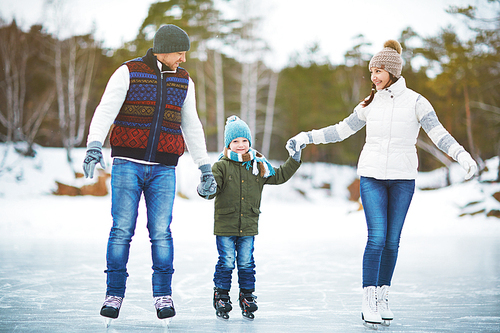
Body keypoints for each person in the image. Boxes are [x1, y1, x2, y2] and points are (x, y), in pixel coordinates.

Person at [285, 40, 478, 328]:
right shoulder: (368, 104)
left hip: (403, 179)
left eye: (379, 71)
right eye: (372, 70)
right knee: (376, 237)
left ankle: (383, 295)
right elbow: (340, 130)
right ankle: (369, 299)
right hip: (372, 176)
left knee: (392, 241)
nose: (374, 76)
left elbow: (438, 133)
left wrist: (461, 155)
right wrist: (307, 136)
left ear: (393, 71)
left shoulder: (416, 102)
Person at [82, 24, 217, 323]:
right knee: (121, 231)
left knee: (161, 233)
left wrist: (204, 167)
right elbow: (106, 109)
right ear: (166, 49)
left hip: (164, 168)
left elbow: (191, 125)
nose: (183, 58)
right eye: (180, 53)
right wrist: (94, 145)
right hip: (127, 164)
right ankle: (113, 295)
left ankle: (162, 296)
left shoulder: (184, 80)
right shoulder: (128, 71)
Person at [201, 115, 301, 320]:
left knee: (246, 262)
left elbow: (279, 175)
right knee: (227, 261)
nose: (240, 145)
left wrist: (295, 159)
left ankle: (247, 296)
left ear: (249, 143)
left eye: (244, 141)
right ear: (229, 143)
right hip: (225, 225)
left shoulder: (258, 166)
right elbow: (211, 190)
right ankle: (221, 296)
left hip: (248, 225)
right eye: (235, 141)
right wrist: (206, 188)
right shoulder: (220, 166)